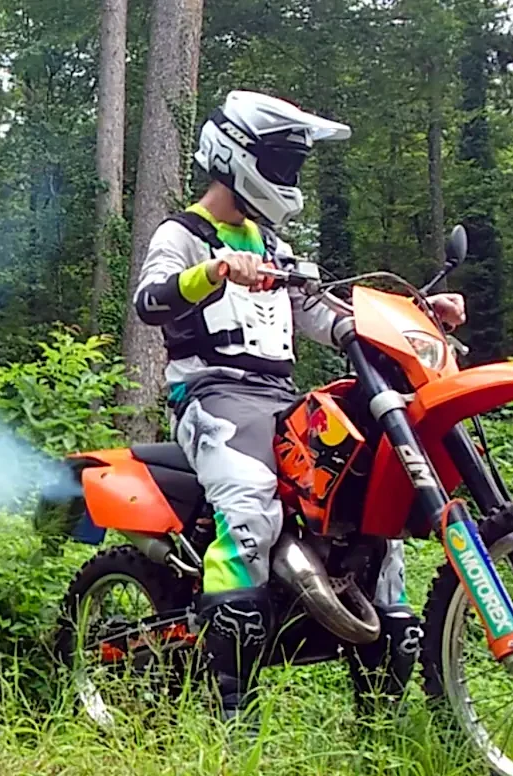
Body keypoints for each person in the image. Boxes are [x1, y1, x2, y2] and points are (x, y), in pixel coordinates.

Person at [132, 90, 467, 722]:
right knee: (252, 506)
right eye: (282, 164)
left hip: (280, 400)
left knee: (373, 512)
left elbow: (325, 315)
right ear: (236, 158)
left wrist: (419, 318)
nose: (290, 180)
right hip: (211, 396)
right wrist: (215, 273)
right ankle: (234, 714)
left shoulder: (276, 246)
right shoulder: (183, 232)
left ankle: (382, 718)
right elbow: (148, 302)